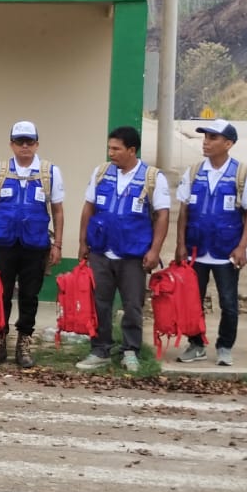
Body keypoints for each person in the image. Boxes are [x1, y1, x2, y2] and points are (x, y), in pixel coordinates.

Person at [76, 124, 170, 373]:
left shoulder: (152, 178)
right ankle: (100, 350)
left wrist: (154, 251)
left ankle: (130, 350)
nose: (111, 153)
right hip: (101, 252)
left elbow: (162, 216)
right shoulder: (101, 173)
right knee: (100, 303)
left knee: (132, 304)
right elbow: (88, 208)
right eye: (109, 148)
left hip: (133, 254)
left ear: (132, 150)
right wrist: (82, 242)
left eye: (116, 149)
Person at [0, 120, 64, 369]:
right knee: (0, 296)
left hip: (35, 246)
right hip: (3, 245)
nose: (24, 146)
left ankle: (24, 343)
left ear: (36, 144)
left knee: (29, 296)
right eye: (19, 142)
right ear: (11, 144)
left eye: (29, 142)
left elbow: (58, 211)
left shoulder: (49, 172)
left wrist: (57, 245)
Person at [174, 119, 247, 368]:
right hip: (196, 250)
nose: (206, 142)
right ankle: (196, 344)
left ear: (228, 144)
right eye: (205, 137)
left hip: (226, 251)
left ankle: (224, 347)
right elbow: (184, 211)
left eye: (213, 138)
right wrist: (180, 244)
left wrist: (242, 246)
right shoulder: (194, 172)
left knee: (229, 303)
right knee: (193, 302)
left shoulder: (242, 174)